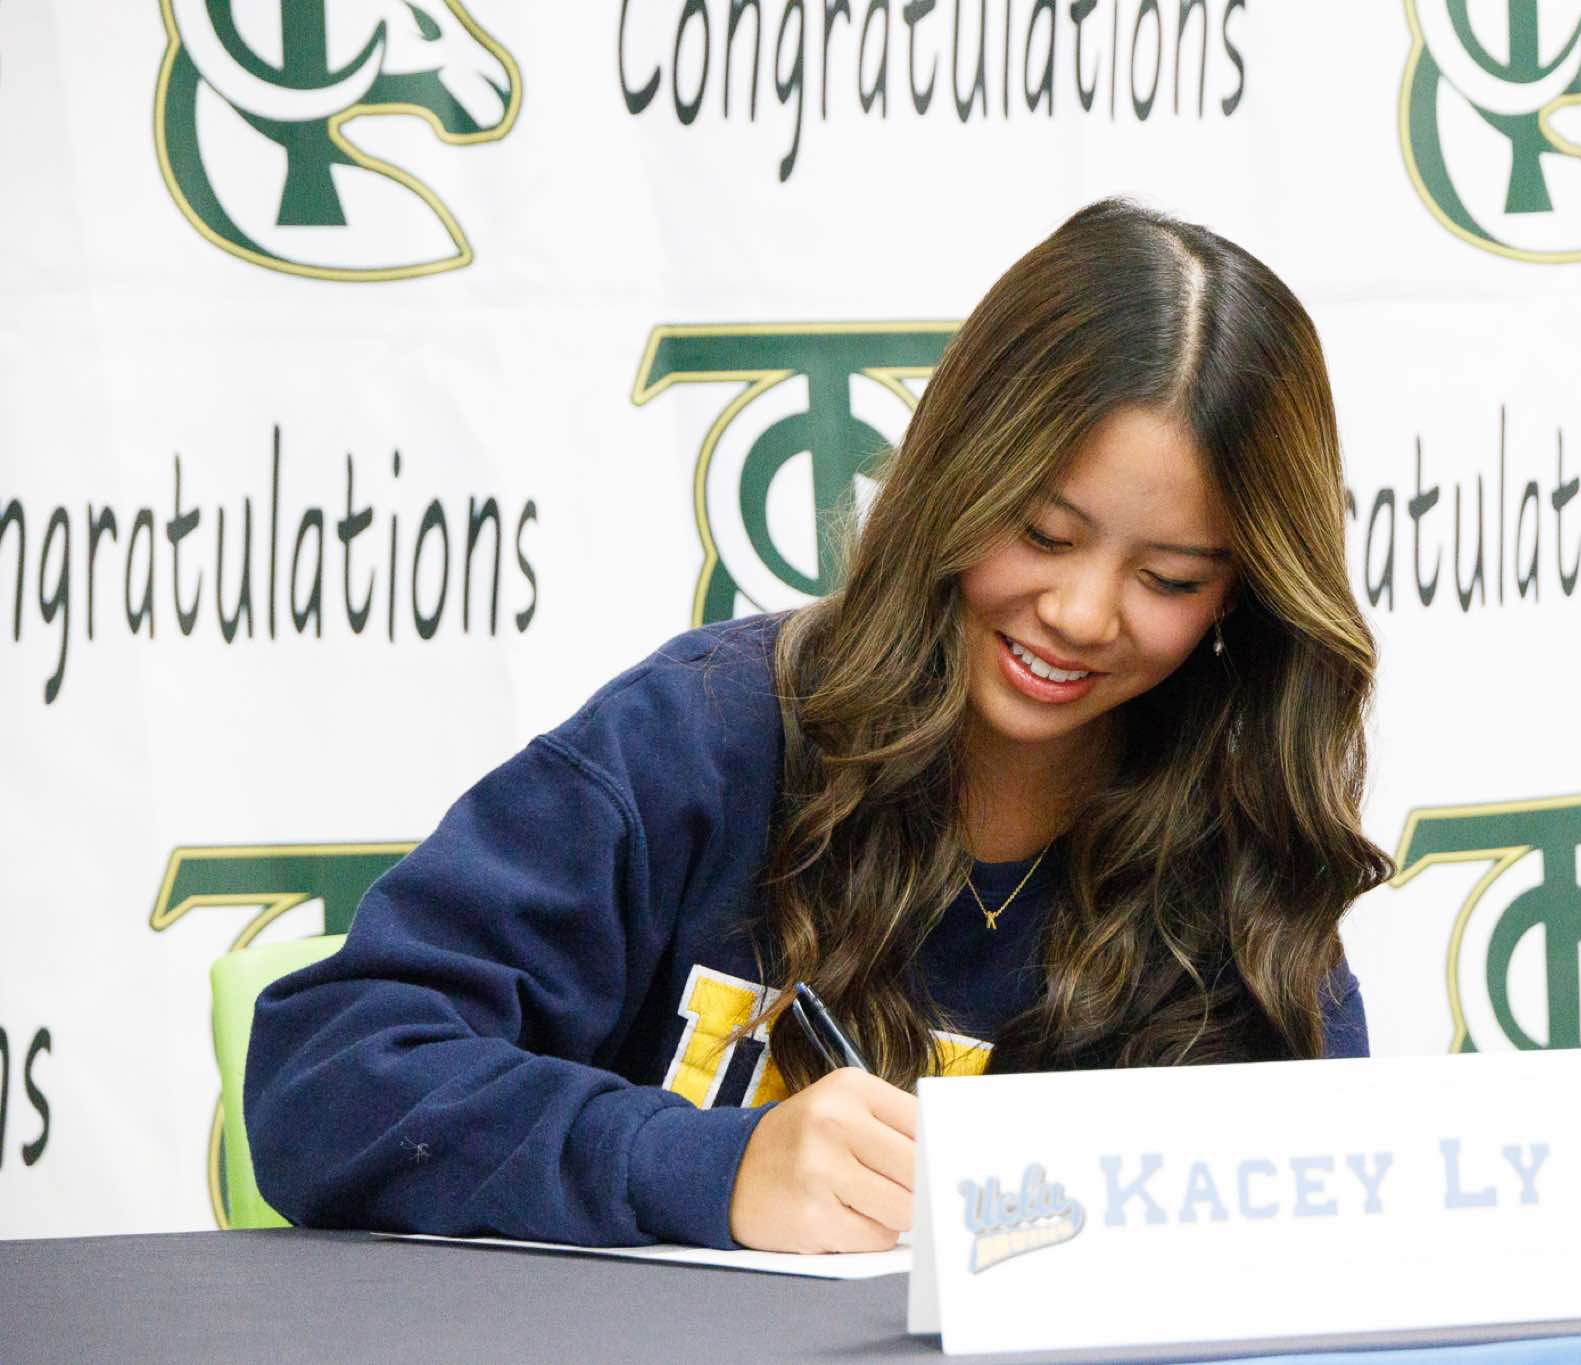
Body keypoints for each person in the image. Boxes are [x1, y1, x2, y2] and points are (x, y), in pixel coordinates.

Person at [245, 198, 1393, 1255]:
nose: (1082, 614)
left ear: (1242, 594)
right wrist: (706, 1170)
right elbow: (329, 1072)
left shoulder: (1241, 863)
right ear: (953, 477)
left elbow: (1324, 1254)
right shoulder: (705, 737)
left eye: (1169, 579)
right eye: (1042, 536)